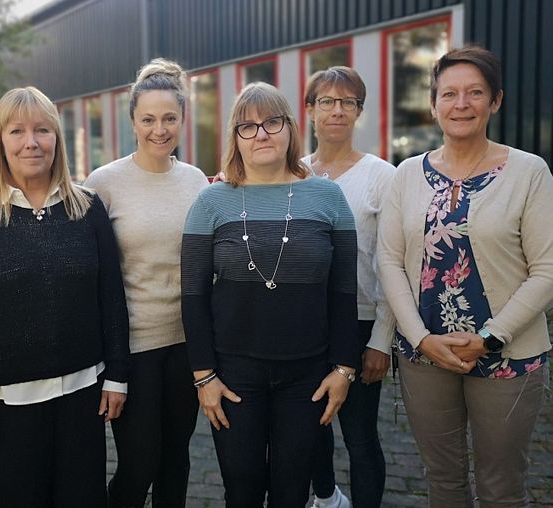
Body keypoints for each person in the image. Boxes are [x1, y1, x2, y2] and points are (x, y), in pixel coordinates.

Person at [377, 45, 552, 507]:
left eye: (475, 92)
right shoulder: (406, 174)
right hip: (425, 357)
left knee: (501, 487)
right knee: (445, 482)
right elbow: (389, 262)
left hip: (507, 356)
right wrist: (418, 338)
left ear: (495, 101)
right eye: (449, 93)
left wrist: (491, 337)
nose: (461, 104)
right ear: (434, 104)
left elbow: (548, 269)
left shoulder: (529, 172)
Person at [0, 86, 129, 507]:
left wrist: (117, 374)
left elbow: (111, 299)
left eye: (42, 130)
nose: (31, 142)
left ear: (57, 138)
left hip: (83, 396)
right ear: (0, 140)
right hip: (7, 408)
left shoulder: (87, 208)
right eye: (18, 131)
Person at [181, 82, 360, 507]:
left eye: (272, 122)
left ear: (290, 129)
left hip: (308, 376)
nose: (261, 134)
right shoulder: (210, 203)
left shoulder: (329, 197)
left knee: (292, 486)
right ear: (235, 138)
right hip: (234, 375)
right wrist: (203, 376)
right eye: (248, 126)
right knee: (241, 486)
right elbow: (191, 294)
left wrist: (345, 369)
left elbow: (344, 291)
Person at [84, 58, 208, 508]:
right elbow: (89, 272)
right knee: (139, 464)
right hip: (131, 348)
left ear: (182, 120)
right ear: (133, 121)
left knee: (176, 461)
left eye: (169, 118)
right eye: (149, 119)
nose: (160, 129)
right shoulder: (104, 183)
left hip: (187, 345)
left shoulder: (196, 182)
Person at [303, 67, 396, 508]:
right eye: (326, 101)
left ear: (359, 111)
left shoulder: (382, 176)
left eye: (347, 102)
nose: (337, 110)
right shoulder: (293, 173)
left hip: (360, 325)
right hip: (302, 326)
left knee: (359, 437)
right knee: (310, 426)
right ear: (310, 111)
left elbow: (393, 264)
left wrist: (382, 339)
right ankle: (325, 496)